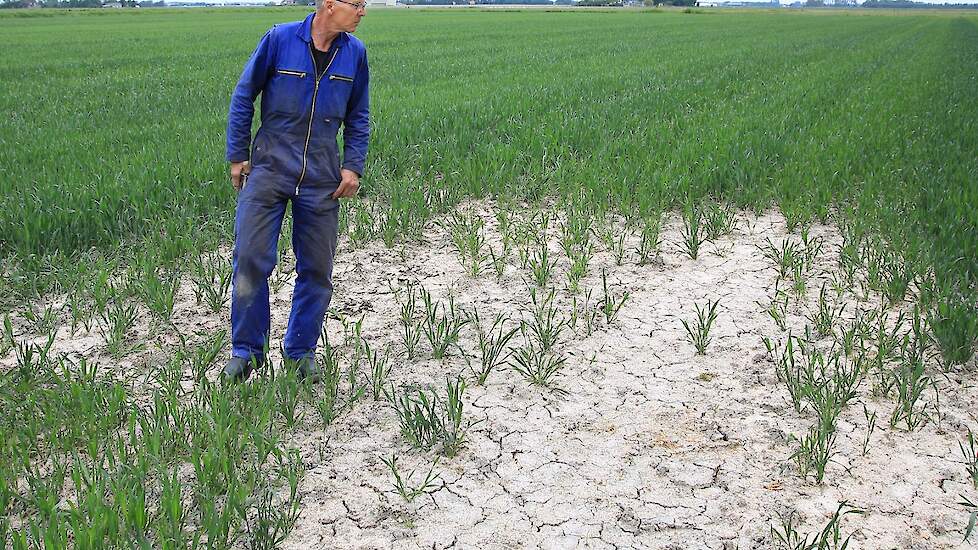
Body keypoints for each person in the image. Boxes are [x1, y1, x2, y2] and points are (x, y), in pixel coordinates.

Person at [223, 0, 369, 383]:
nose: (362, 12)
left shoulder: (355, 54)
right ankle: (247, 352)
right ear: (328, 4)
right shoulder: (279, 39)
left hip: (322, 175)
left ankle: (301, 351)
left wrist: (353, 164)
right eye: (356, 3)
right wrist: (238, 155)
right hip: (270, 167)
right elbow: (243, 96)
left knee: (317, 269)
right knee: (251, 258)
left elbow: (359, 114)